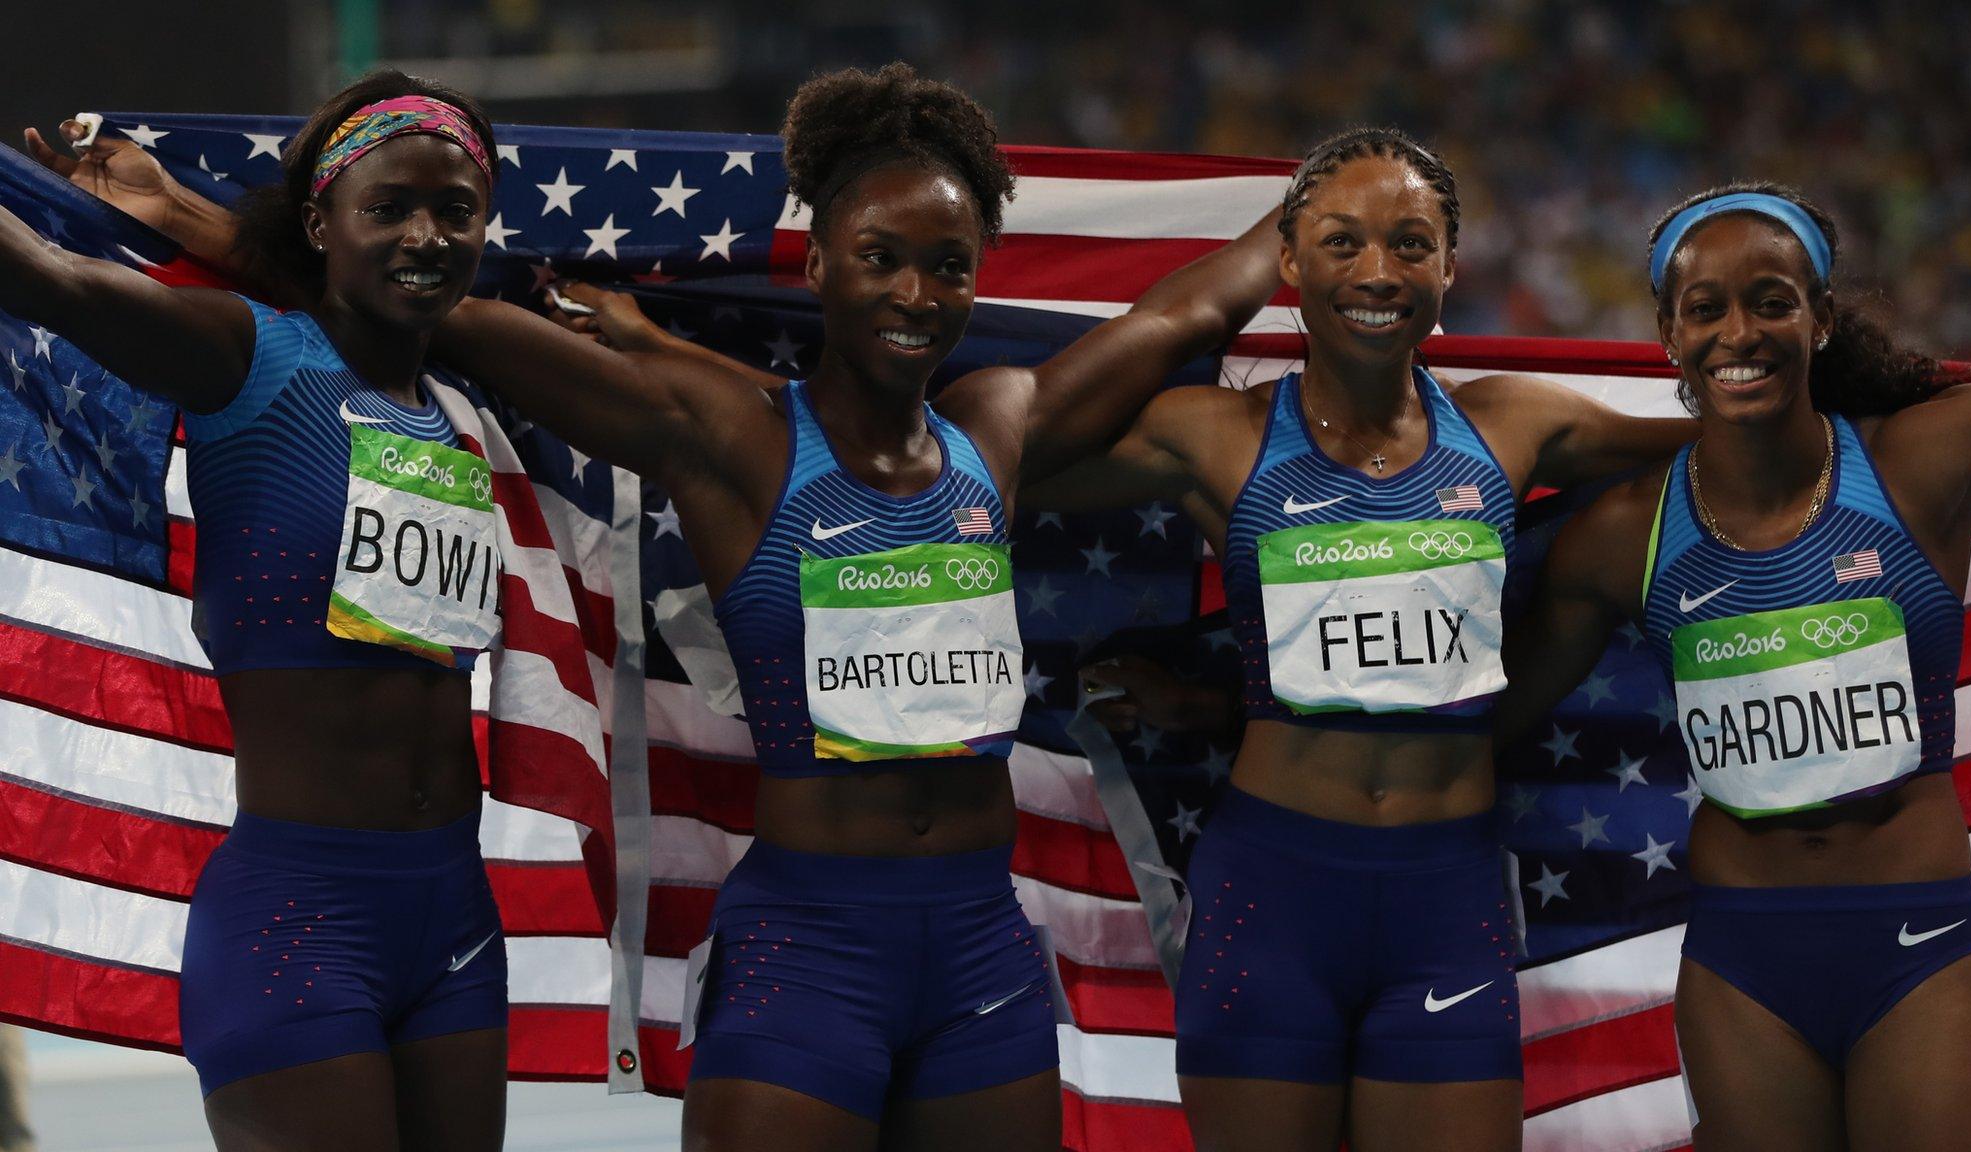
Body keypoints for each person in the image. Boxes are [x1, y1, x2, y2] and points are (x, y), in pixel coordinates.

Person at [424, 63, 1285, 1151]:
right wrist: (250, 233)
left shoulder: (996, 429)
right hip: (807, 954)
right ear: (820, 259)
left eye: (947, 268)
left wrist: (1319, 203)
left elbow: (1185, 314)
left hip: (979, 955)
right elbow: (443, 316)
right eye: (879, 258)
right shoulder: (735, 440)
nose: (914, 295)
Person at [1024, 126, 1696, 1152]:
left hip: (1445, 900)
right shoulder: (1219, 434)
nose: (1377, 272)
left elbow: (1741, 436)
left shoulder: (1513, 425)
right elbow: (1008, 456)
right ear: (1288, 262)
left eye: (1408, 242)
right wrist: (1217, 292)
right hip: (1270, 897)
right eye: (1338, 243)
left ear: (1448, 266)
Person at [7, 72, 510, 1151]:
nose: (426, 234)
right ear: (322, 221)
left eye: (454, 210)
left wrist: (191, 214)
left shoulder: (473, 402)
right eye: (388, 209)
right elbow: (50, 283)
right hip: (299, 917)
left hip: (459, 922)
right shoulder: (249, 357)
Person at [1497, 182, 1971, 1151]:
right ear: (1667, 333)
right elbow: (1480, 711)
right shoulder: (1621, 540)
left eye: (1770, 302)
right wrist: (1229, 715)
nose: (1736, 332)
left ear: (1819, 319)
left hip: (1915, 939)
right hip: (1742, 967)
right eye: (1704, 309)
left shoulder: (1919, 460)